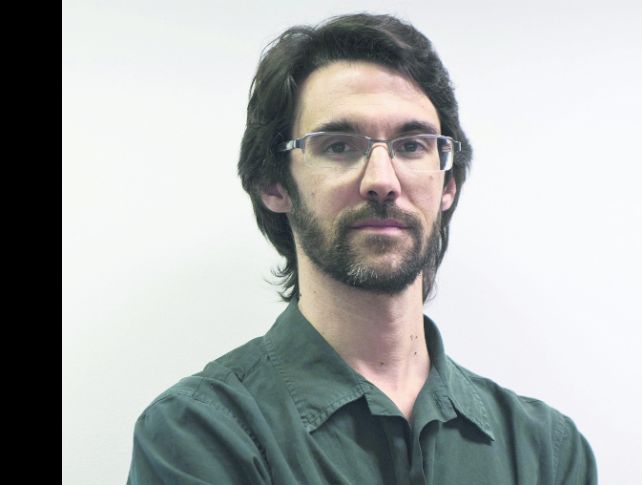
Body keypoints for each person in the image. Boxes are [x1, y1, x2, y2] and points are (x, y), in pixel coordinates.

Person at [127, 13, 598, 484]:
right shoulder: (200, 433)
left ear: (448, 183)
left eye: (411, 146)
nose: (382, 180)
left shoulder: (546, 450)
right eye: (339, 146)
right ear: (274, 183)